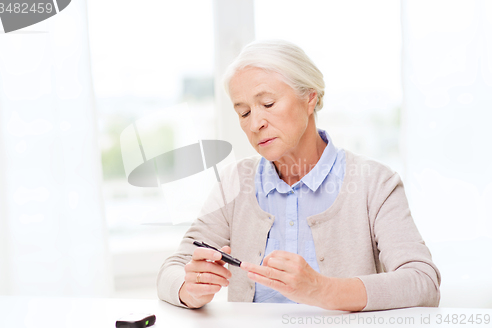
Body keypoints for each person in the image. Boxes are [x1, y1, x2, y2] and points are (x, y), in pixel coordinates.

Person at [157, 39, 441, 311]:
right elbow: (173, 268)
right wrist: (188, 289)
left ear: (310, 98)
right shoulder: (235, 182)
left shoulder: (375, 182)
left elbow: (423, 282)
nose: (255, 123)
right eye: (243, 112)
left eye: (268, 104)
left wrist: (322, 289)